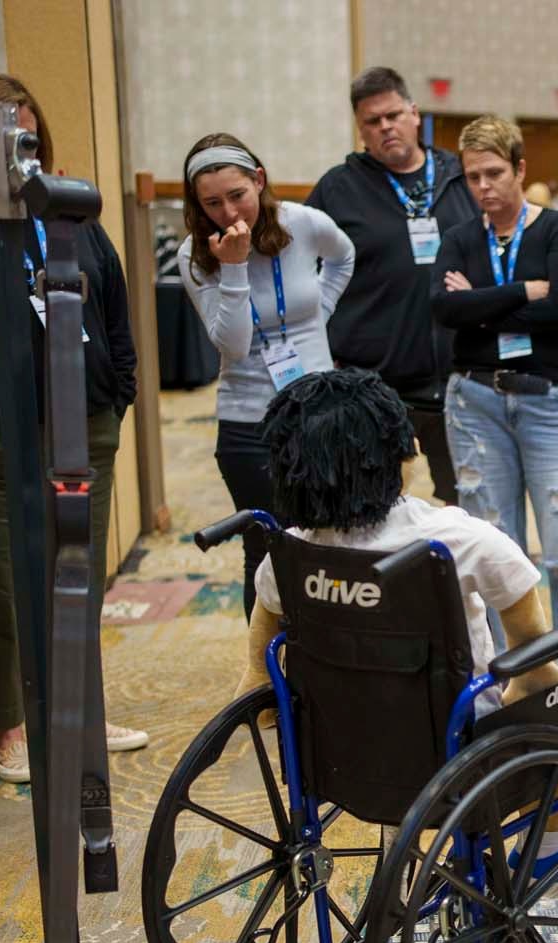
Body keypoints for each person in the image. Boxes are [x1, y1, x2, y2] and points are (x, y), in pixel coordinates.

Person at [0, 73, 146, 784]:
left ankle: (80, 711)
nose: (24, 151)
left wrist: (124, 387)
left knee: (77, 576)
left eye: (31, 135)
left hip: (89, 420)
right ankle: (10, 727)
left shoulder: (69, 211)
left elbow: (112, 302)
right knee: (0, 583)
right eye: (8, 138)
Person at [240, 368, 558, 705]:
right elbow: (516, 594)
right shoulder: (454, 540)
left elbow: (267, 612)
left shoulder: (291, 551)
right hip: (455, 733)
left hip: (330, 732)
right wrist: (530, 678)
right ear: (398, 454)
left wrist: (257, 673)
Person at [432, 116, 558, 669]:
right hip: (476, 402)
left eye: (494, 173)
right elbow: (445, 311)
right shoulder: (460, 238)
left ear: (520, 169)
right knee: (492, 545)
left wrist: (483, 302)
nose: (484, 187)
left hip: (552, 400)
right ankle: (507, 668)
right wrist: (520, 291)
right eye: (472, 177)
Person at [178, 132, 355, 620]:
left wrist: (318, 313)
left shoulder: (302, 222)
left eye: (238, 195)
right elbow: (232, 345)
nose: (229, 212)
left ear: (259, 180)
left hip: (318, 411)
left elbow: (344, 256)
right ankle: (266, 674)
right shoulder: (195, 257)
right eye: (211, 202)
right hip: (248, 421)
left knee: (329, 544)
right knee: (267, 552)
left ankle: (326, 668)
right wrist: (232, 269)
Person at [307, 67, 480, 509]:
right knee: (368, 508)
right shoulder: (338, 188)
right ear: (360, 130)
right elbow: (303, 270)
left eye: (393, 115)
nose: (385, 127)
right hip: (372, 380)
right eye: (371, 121)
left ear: (414, 113)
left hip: (459, 374)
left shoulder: (461, 179)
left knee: (469, 504)